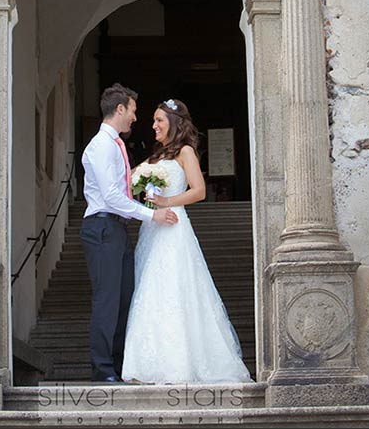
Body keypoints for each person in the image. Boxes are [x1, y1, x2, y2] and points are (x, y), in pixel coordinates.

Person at [121, 98, 252, 384]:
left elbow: (199, 190)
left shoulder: (186, 152)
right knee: (150, 290)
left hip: (174, 230)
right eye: (154, 120)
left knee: (174, 289)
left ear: (174, 124)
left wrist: (167, 200)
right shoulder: (155, 156)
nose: (153, 125)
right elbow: (132, 178)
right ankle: (148, 364)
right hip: (153, 229)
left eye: (159, 121)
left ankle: (178, 364)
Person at [80, 83, 178, 384]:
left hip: (117, 228)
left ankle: (119, 364)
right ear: (120, 109)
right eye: (133, 111)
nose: (136, 118)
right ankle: (102, 369)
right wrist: (152, 215)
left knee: (124, 300)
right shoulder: (101, 146)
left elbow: (121, 191)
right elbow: (111, 196)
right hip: (102, 227)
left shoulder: (116, 145)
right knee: (107, 300)